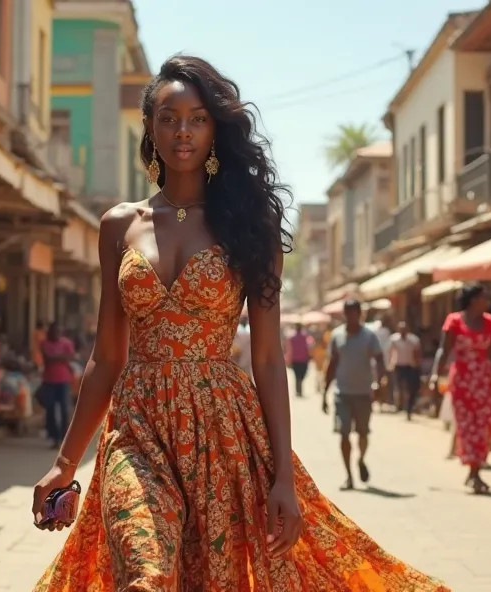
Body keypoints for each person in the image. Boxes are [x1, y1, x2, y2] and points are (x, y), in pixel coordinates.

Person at [30, 56, 447, 590]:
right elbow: (106, 356)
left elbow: (270, 360)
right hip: (136, 427)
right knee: (146, 571)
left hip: (222, 431)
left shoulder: (251, 226)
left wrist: (282, 480)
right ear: (151, 129)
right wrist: (65, 463)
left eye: (198, 118)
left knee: (211, 579)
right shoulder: (118, 226)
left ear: (215, 129)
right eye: (169, 117)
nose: (183, 130)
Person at [429, 284, 491, 495]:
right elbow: (443, 350)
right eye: (483, 298)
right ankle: (474, 473)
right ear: (473, 300)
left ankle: (476, 471)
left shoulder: (490, 323)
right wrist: (435, 376)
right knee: (467, 428)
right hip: (462, 383)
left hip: (483, 382)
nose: (486, 302)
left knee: (484, 427)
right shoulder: (454, 321)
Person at [322, 299, 386, 490]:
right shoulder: (337, 336)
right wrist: (325, 392)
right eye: (347, 313)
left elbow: (380, 359)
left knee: (363, 434)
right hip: (342, 393)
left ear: (360, 314)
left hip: (363, 393)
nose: (350, 316)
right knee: (343, 434)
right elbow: (332, 364)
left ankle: (361, 460)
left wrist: (379, 382)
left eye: (353, 312)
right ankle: (349, 476)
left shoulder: (369, 336)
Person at [39, 321, 75, 449]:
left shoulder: (66, 343)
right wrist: (61, 357)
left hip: (63, 380)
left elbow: (70, 357)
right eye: (54, 331)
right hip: (49, 381)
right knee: (50, 409)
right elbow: (47, 359)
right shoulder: (44, 343)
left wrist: (55, 358)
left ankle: (65, 438)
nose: (57, 334)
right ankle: (54, 437)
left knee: (65, 410)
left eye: (59, 331)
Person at [390, 320, 422, 419]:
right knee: (400, 387)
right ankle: (399, 405)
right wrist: (390, 364)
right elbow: (390, 351)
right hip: (399, 366)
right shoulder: (394, 339)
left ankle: (408, 409)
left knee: (410, 389)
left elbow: (417, 353)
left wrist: (417, 364)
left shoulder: (414, 340)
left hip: (410, 366)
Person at [286, 322, 313, 396]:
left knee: (299, 375)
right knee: (299, 375)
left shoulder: (304, 337)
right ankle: (299, 390)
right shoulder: (295, 337)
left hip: (299, 359)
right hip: (300, 359)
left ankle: (299, 388)